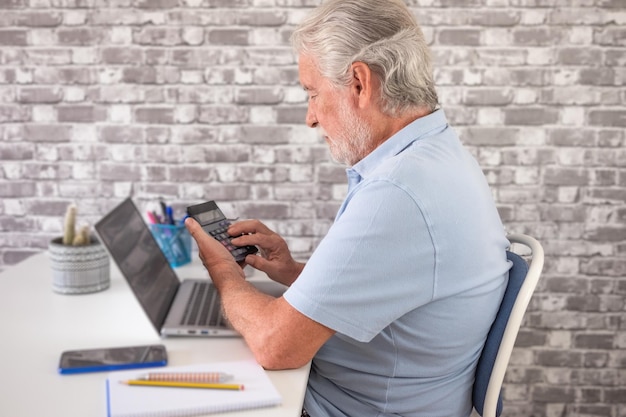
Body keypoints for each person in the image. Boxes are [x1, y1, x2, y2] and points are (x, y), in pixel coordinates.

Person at [184, 0, 511, 415]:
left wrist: (224, 272)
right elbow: (399, 286)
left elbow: (275, 345)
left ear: (359, 82)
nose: (310, 118)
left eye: (313, 93)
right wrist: (295, 273)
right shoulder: (437, 157)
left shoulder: (398, 192)